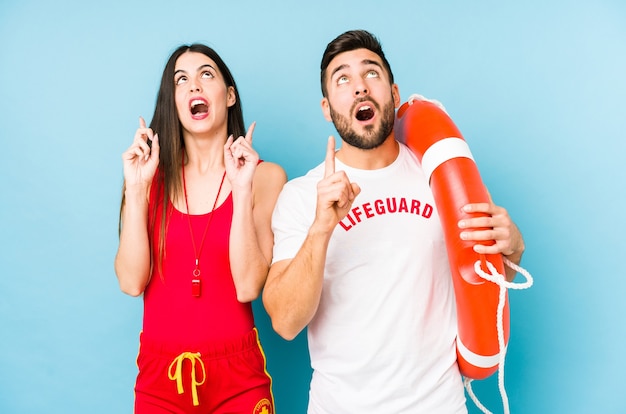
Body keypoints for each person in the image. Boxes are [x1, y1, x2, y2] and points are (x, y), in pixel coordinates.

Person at [262, 30, 525, 413]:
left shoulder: (439, 177)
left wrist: (514, 247)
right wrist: (321, 229)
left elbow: (488, 279)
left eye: (371, 74)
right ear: (326, 106)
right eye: (343, 79)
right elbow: (285, 322)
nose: (359, 88)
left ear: (395, 94)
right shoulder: (303, 196)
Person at [114, 43, 286, 413]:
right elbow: (131, 282)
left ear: (229, 96)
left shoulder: (265, 177)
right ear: (173, 102)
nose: (194, 86)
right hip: (162, 378)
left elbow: (248, 285)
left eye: (206, 74)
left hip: (238, 377)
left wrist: (240, 190)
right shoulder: (148, 179)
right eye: (181, 80)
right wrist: (137, 187)